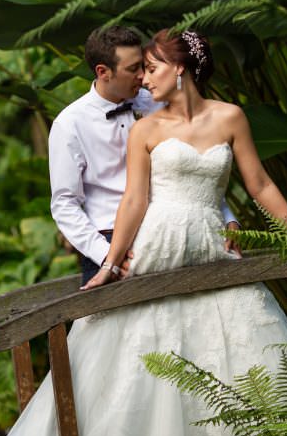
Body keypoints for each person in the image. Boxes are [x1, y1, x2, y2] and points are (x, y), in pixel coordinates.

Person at [0, 30, 287, 436]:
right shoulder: (140, 127)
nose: (144, 77)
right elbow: (133, 202)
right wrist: (109, 263)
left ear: (180, 70)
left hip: (210, 242)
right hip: (155, 241)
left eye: (151, 68)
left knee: (234, 333)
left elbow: (260, 184)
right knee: (137, 347)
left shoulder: (230, 117)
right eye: (138, 69)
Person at [48, 24, 238, 284]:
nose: (143, 76)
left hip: (175, 234)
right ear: (103, 72)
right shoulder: (70, 124)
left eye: (144, 66)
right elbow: (64, 204)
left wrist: (228, 217)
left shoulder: (160, 100)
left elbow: (193, 167)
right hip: (109, 239)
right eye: (133, 69)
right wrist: (108, 257)